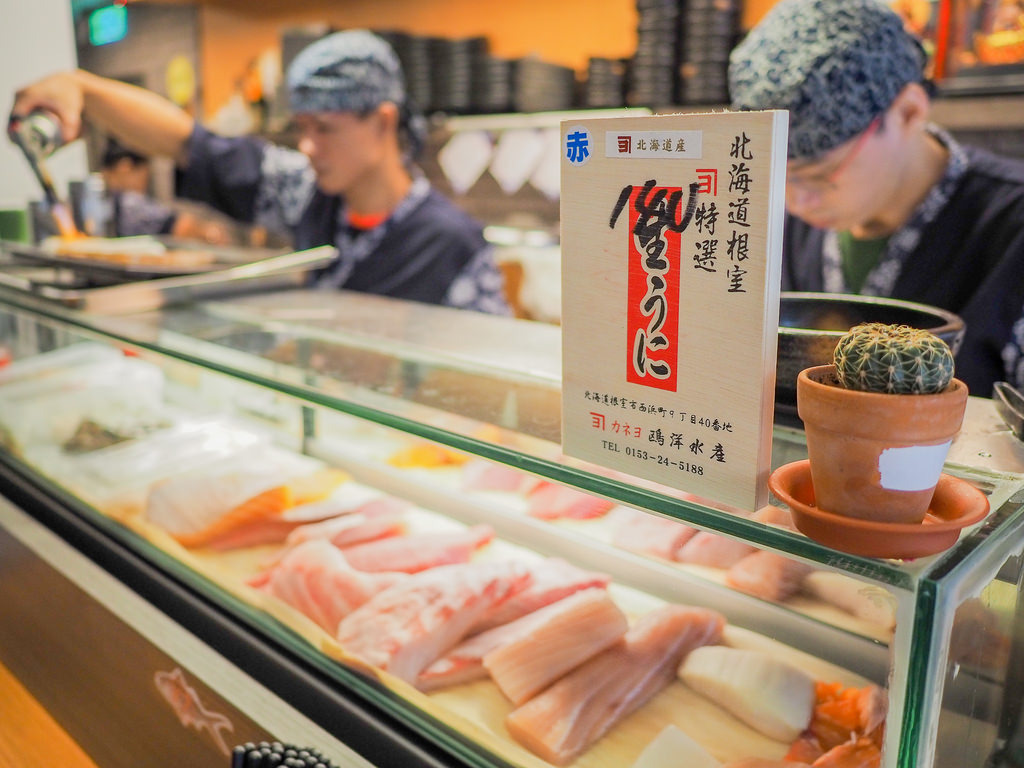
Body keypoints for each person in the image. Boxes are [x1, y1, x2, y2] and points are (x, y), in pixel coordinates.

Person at [10, 30, 508, 314]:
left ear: (382, 122)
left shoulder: (453, 243)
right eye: (302, 127)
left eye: (325, 129)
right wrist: (84, 89)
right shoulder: (305, 192)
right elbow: (190, 143)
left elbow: (490, 376)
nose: (308, 146)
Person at [728, 0, 1024, 397]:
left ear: (907, 112)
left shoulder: (1012, 224)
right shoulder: (787, 222)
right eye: (775, 175)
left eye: (816, 175)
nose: (793, 200)